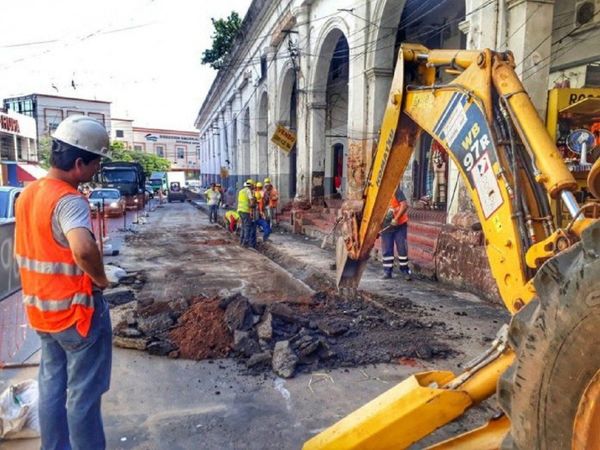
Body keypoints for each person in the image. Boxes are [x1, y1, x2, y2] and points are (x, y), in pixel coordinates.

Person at [14, 115, 113, 450]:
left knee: (52, 384)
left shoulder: (29, 194)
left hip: (42, 312)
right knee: (83, 395)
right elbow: (83, 249)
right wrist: (102, 278)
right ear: (80, 163)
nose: (97, 170)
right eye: (96, 163)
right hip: (76, 313)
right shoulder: (68, 200)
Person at [380, 186, 411, 281]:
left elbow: (404, 205)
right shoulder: (377, 195)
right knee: (387, 250)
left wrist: (396, 218)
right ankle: (387, 272)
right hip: (385, 227)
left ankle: (405, 270)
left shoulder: (395, 190)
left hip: (399, 225)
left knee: (402, 249)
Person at [237, 179, 256, 248]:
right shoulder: (248, 191)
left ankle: (241, 240)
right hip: (245, 210)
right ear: (251, 185)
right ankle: (245, 242)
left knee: (243, 226)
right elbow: (251, 201)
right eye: (253, 186)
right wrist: (253, 205)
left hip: (240, 210)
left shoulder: (241, 191)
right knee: (247, 226)